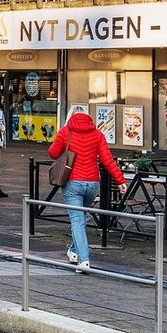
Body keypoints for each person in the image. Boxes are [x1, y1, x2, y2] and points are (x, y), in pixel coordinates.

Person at [48, 110, 126, 273]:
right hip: (92, 183)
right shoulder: (97, 134)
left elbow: (53, 153)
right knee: (81, 218)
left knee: (77, 221)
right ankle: (74, 251)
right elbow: (107, 160)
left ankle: (83, 260)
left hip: (72, 183)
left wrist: (62, 141)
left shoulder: (65, 132)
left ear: (70, 116)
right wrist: (120, 181)